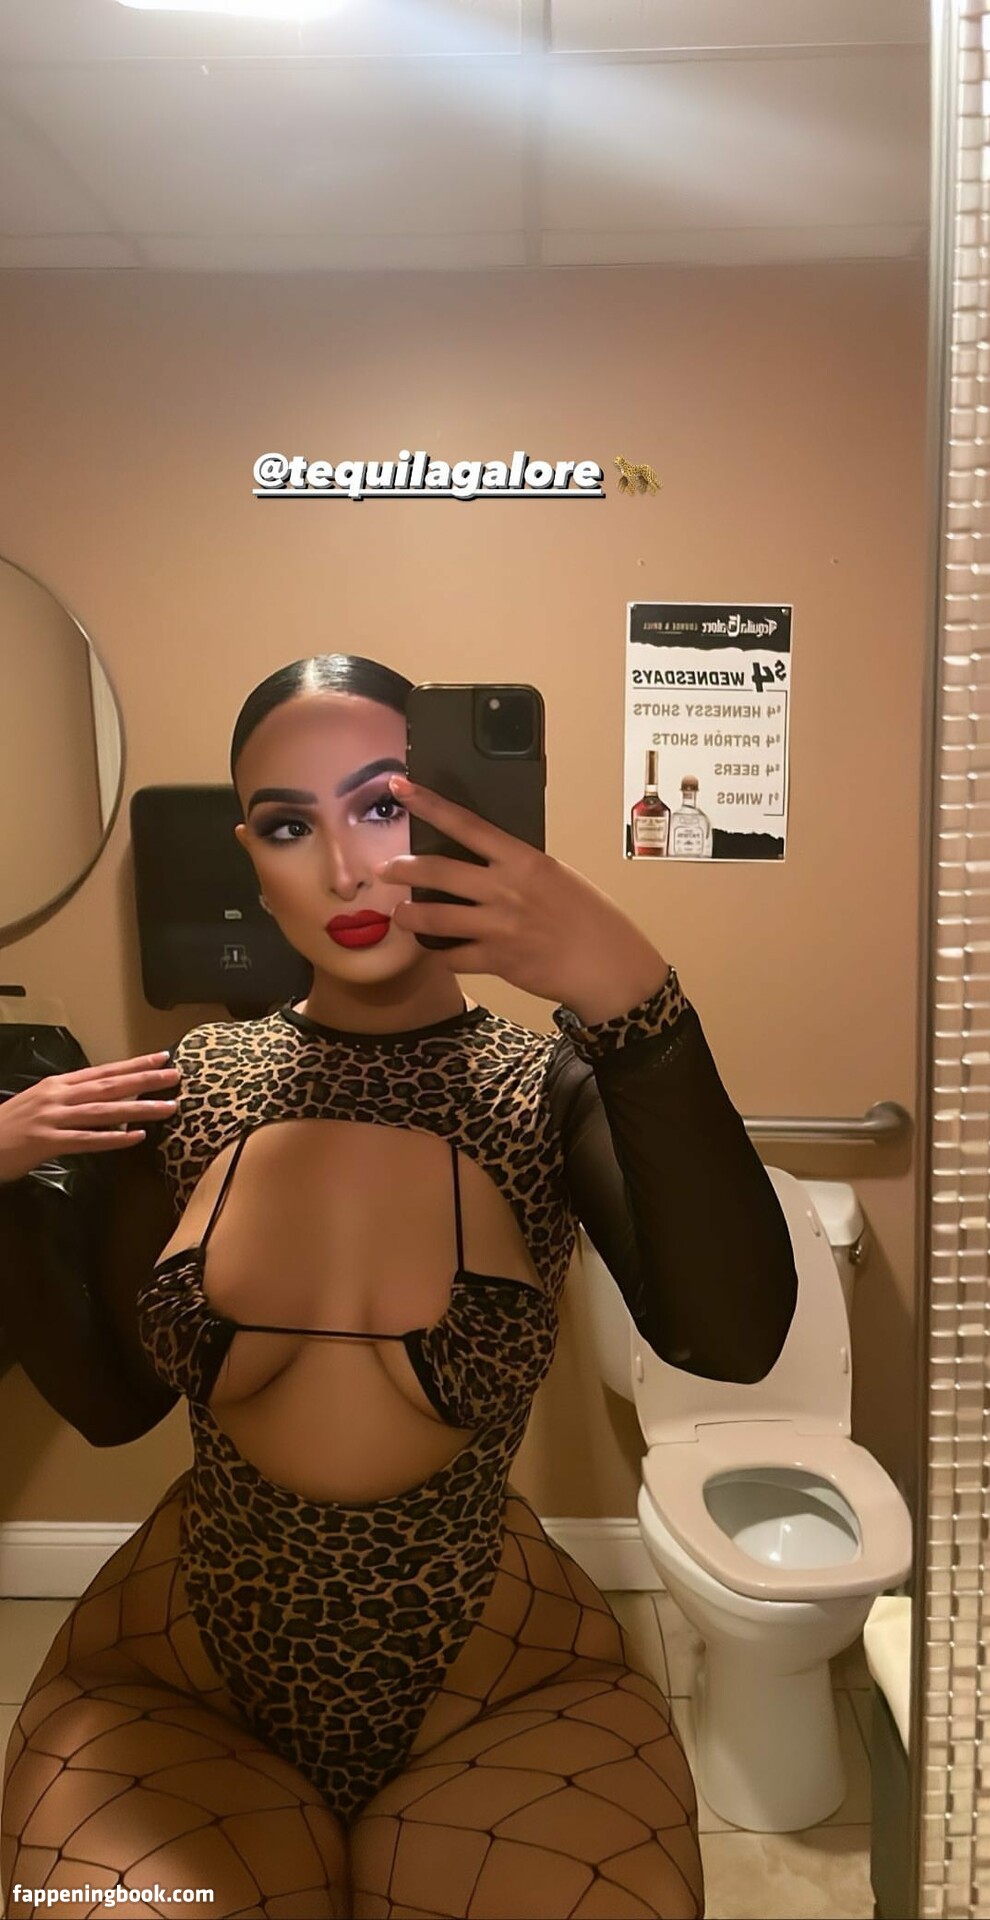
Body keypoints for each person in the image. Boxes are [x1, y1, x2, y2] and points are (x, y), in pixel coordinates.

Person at [0, 655, 799, 1920]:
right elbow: (111, 1404)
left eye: (381, 807)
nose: (343, 870)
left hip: (500, 1675)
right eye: (288, 825)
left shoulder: (547, 1092)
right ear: (251, 856)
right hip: (182, 1668)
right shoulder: (196, 1085)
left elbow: (734, 1339)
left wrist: (633, 992)